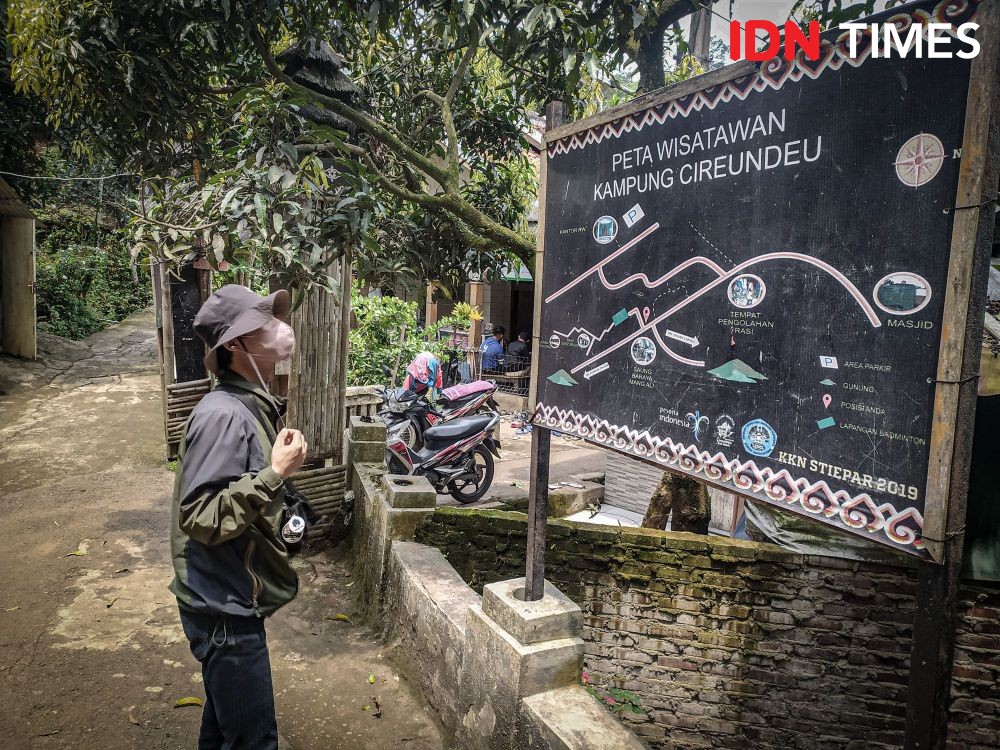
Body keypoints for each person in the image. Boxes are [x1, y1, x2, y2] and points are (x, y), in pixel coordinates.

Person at [169, 284, 308, 750]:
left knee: (223, 729)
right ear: (235, 344)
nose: (279, 328)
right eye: (264, 323)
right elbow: (200, 514)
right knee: (253, 740)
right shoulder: (223, 415)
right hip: (222, 609)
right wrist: (273, 476)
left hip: (225, 599)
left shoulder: (249, 404)